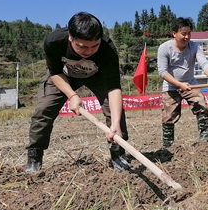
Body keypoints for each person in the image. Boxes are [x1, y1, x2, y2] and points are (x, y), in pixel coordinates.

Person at [26, 12, 131, 173]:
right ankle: (34, 156)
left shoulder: (107, 49)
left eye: (94, 46)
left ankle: (118, 154)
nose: (89, 51)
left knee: (115, 110)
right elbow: (54, 73)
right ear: (71, 38)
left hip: (97, 75)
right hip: (64, 75)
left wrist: (116, 122)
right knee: (44, 109)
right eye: (83, 47)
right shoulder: (54, 42)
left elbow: (114, 88)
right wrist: (72, 95)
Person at [157, 17, 208, 150]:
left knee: (201, 106)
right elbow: (162, 72)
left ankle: (205, 142)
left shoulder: (195, 46)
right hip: (171, 86)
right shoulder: (164, 48)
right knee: (168, 116)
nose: (187, 37)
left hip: (191, 84)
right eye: (183, 34)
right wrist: (179, 85)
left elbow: (204, 63)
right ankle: (168, 148)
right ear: (174, 33)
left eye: (189, 33)